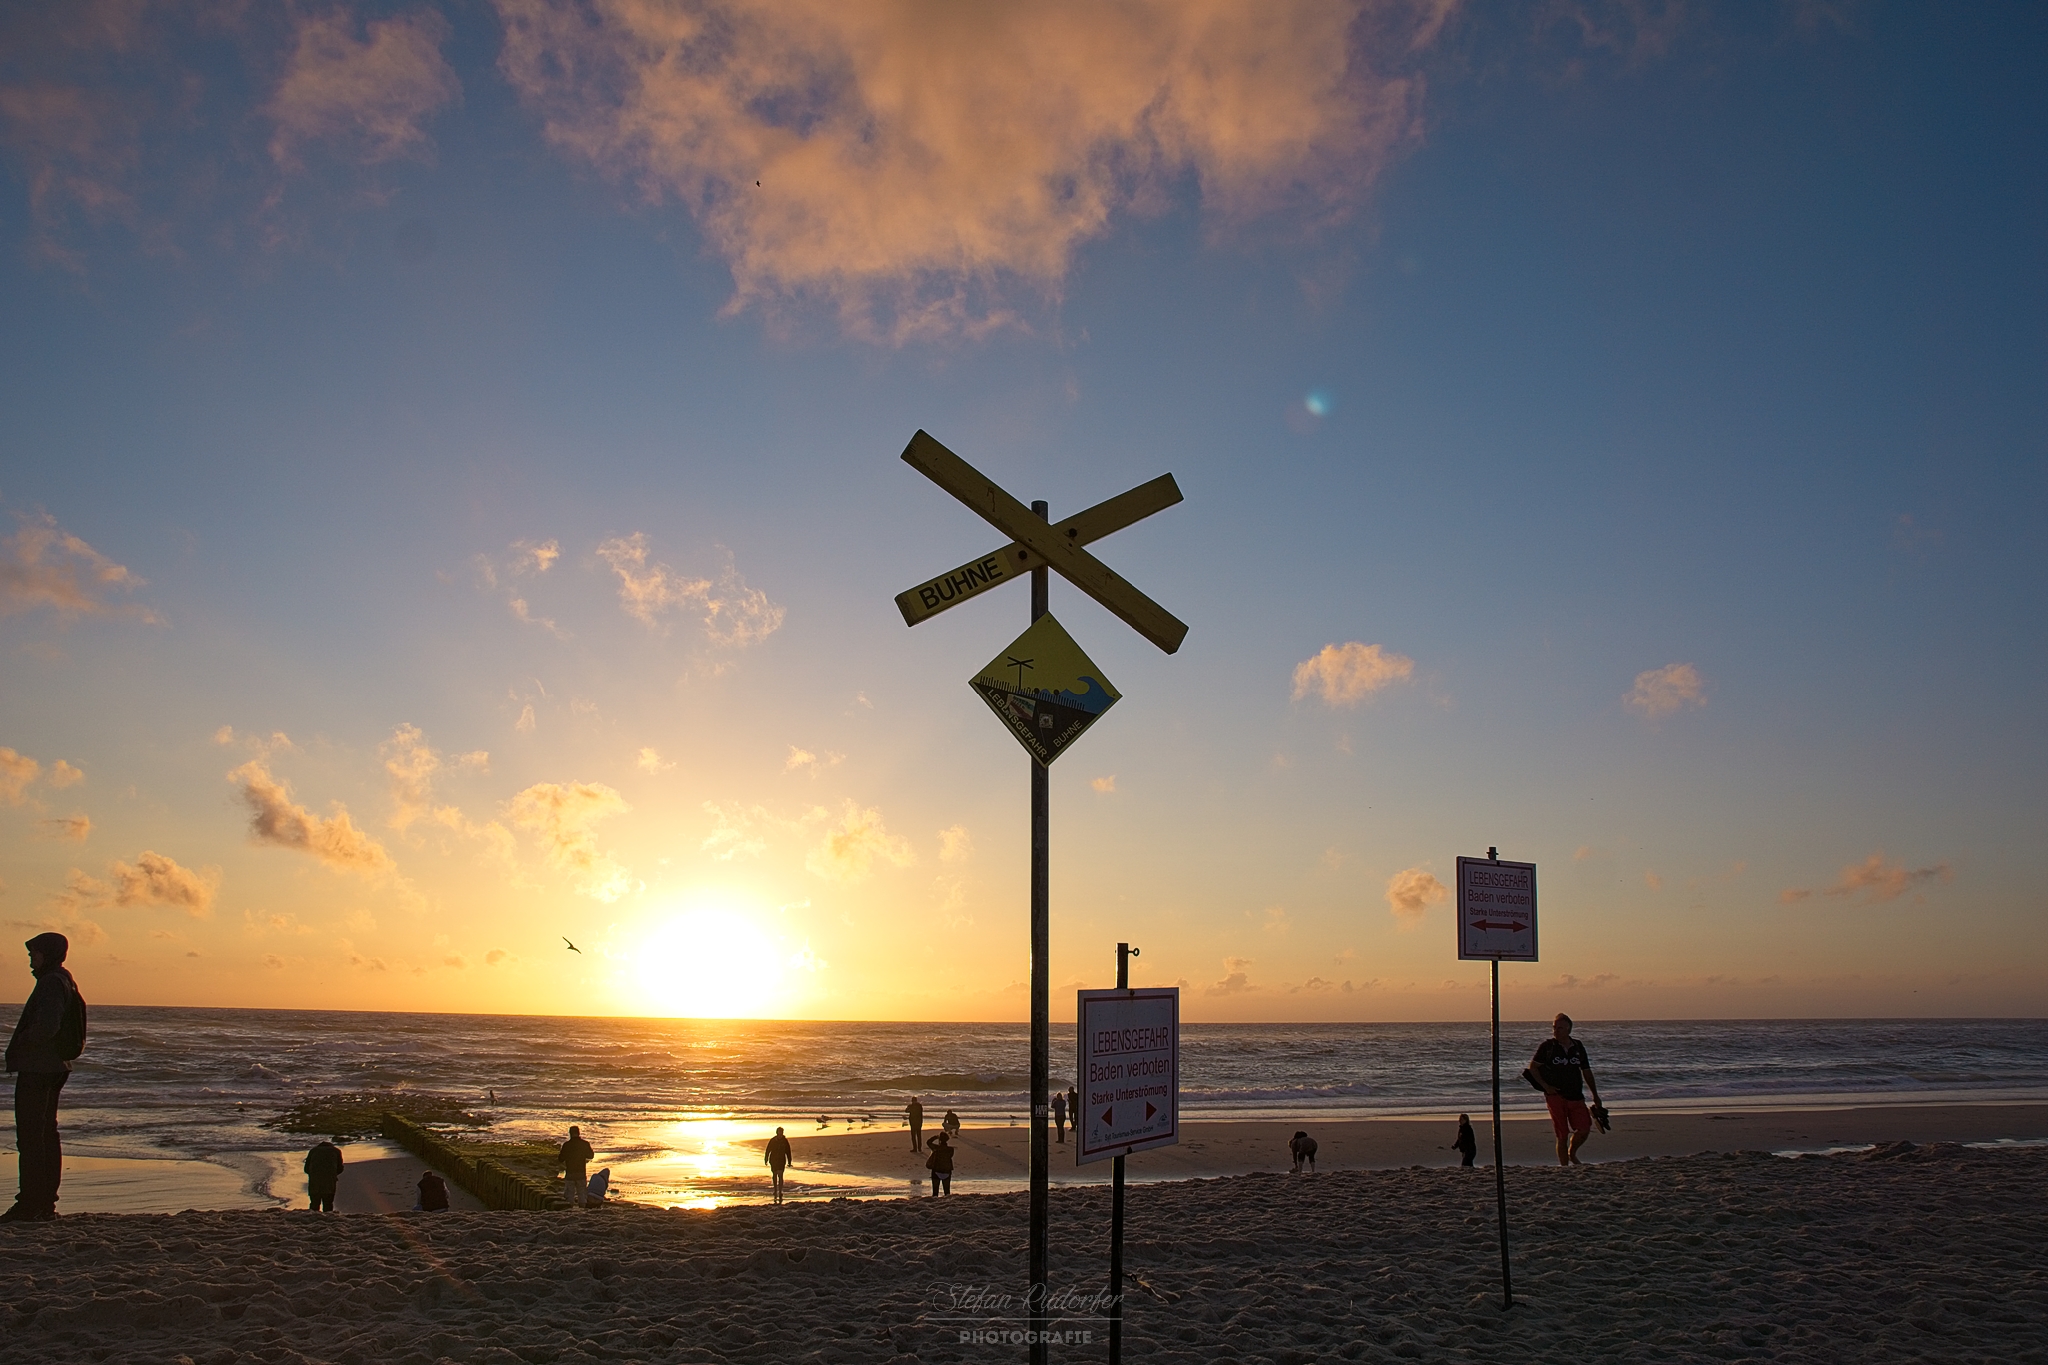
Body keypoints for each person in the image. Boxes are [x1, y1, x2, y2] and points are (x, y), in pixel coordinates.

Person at [4, 932, 84, 1224]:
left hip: (40, 1068)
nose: (30, 958)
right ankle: (42, 1203)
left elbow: (47, 1026)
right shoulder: (62, 979)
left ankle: (31, 1204)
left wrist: (23, 1042)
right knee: (45, 1135)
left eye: (34, 953)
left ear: (47, 954)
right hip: (52, 1067)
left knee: (32, 1138)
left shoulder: (51, 982)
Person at [1530, 1013, 1603, 1166]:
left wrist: (1595, 1095)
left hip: (1576, 1095)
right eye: (1554, 1027)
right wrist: (1546, 1086)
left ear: (1569, 1029)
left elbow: (1586, 1071)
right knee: (1562, 1134)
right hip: (1556, 1096)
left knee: (1584, 1129)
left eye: (1560, 1028)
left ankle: (1572, 1153)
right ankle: (1564, 1167)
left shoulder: (1577, 1046)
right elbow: (1533, 1068)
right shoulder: (1548, 1047)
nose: (1556, 1031)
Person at [304, 1138, 345, 1211]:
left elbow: (306, 1168)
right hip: (329, 1180)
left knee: (314, 1203)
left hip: (315, 1180)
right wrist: (332, 1174)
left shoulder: (313, 1151)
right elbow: (340, 1168)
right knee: (328, 1203)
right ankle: (328, 1218)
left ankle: (313, 1218)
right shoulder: (336, 1151)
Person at [559, 1124, 595, 1207]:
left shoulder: (567, 1145)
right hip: (581, 1171)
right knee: (582, 1193)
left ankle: (569, 1209)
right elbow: (591, 1155)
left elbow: (561, 1159)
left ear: (570, 1133)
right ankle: (582, 1209)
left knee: (569, 1194)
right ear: (579, 1133)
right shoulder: (584, 1144)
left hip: (570, 1172)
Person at [764, 1126, 793, 1203]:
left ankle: (780, 1191)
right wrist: (766, 1159)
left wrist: (789, 1161)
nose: (780, 1133)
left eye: (781, 1132)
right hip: (773, 1160)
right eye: (779, 1132)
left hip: (781, 1160)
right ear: (777, 1132)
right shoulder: (773, 1140)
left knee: (780, 1175)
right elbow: (768, 1150)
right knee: (774, 1175)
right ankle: (775, 1190)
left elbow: (788, 1151)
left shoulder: (785, 1141)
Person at [925, 1130, 955, 1195]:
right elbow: (950, 1156)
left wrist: (935, 1137)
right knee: (947, 1192)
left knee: (935, 1193)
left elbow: (928, 1142)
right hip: (947, 1171)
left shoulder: (936, 1148)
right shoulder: (951, 1149)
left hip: (936, 1171)